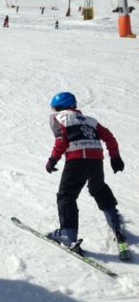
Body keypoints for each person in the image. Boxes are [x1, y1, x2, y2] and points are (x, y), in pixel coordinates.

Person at [45, 92, 131, 260]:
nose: (53, 111)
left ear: (60, 107)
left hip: (77, 160)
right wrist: (115, 157)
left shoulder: (59, 118)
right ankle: (116, 225)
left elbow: (62, 141)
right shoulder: (90, 120)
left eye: (54, 107)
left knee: (66, 195)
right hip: (96, 159)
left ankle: (68, 234)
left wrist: (52, 160)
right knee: (98, 188)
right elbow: (110, 137)